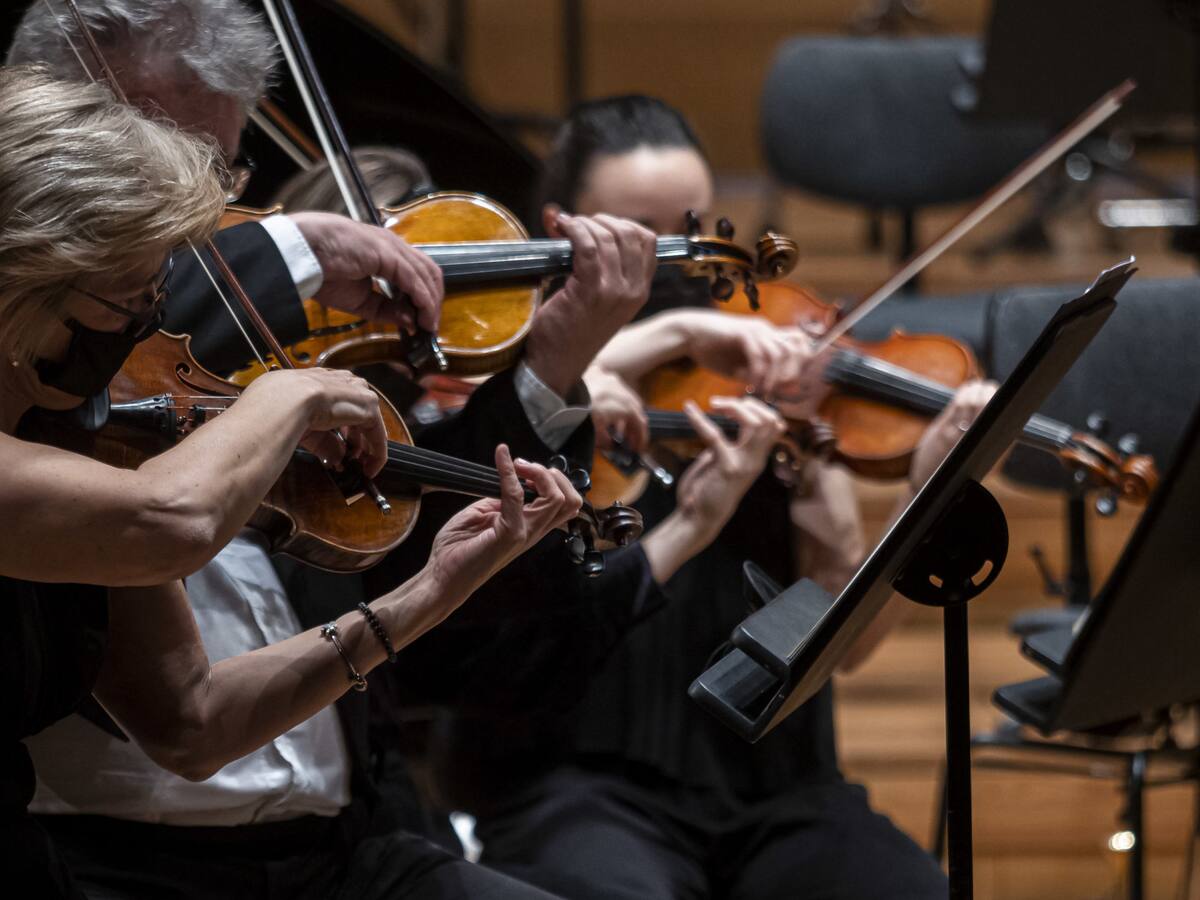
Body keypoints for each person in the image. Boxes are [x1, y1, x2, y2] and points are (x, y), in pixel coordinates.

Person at [0, 68, 583, 898]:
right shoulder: (100, 479)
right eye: (131, 299)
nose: (146, 326)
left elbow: (192, 723)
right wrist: (291, 392)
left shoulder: (70, 431)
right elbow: (178, 519)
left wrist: (431, 589)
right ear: (27, 278)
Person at [447, 95, 997, 900]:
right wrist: (670, 335)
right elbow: (549, 388)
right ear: (565, 225)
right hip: (579, 785)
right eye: (647, 236)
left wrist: (924, 491)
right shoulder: (506, 369)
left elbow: (845, 640)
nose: (680, 268)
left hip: (776, 788)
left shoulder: (775, 378)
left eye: (695, 232)